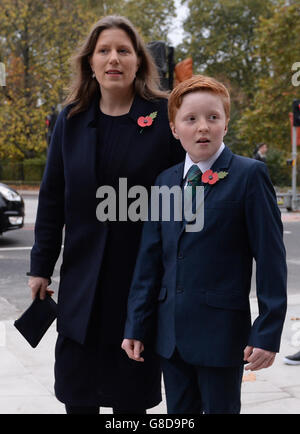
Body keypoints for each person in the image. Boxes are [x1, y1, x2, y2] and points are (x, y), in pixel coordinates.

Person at [27, 15, 184, 415]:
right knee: (78, 397)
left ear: (138, 62)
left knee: (131, 403)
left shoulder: (164, 117)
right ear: (91, 63)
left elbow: (187, 200)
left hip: (141, 285)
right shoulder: (71, 119)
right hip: (82, 287)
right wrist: (40, 267)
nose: (113, 58)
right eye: (104, 51)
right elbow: (52, 198)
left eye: (123, 50)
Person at [122, 75, 287, 414]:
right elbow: (149, 261)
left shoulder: (249, 176)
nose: (203, 128)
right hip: (171, 338)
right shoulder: (165, 182)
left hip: (222, 337)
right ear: (173, 128)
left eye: (213, 117)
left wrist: (267, 333)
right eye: (191, 119)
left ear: (225, 124)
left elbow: (271, 260)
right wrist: (136, 324)